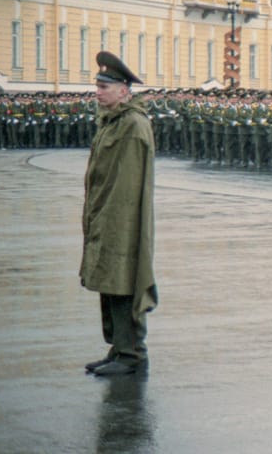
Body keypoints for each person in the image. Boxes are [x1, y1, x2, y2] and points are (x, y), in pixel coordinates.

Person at [80, 51, 158, 376]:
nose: (98, 92)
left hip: (121, 220)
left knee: (124, 280)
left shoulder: (133, 126)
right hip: (106, 216)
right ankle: (118, 348)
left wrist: (110, 221)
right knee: (110, 282)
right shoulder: (113, 122)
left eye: (105, 87)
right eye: (97, 86)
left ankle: (131, 354)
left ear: (124, 91)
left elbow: (126, 187)